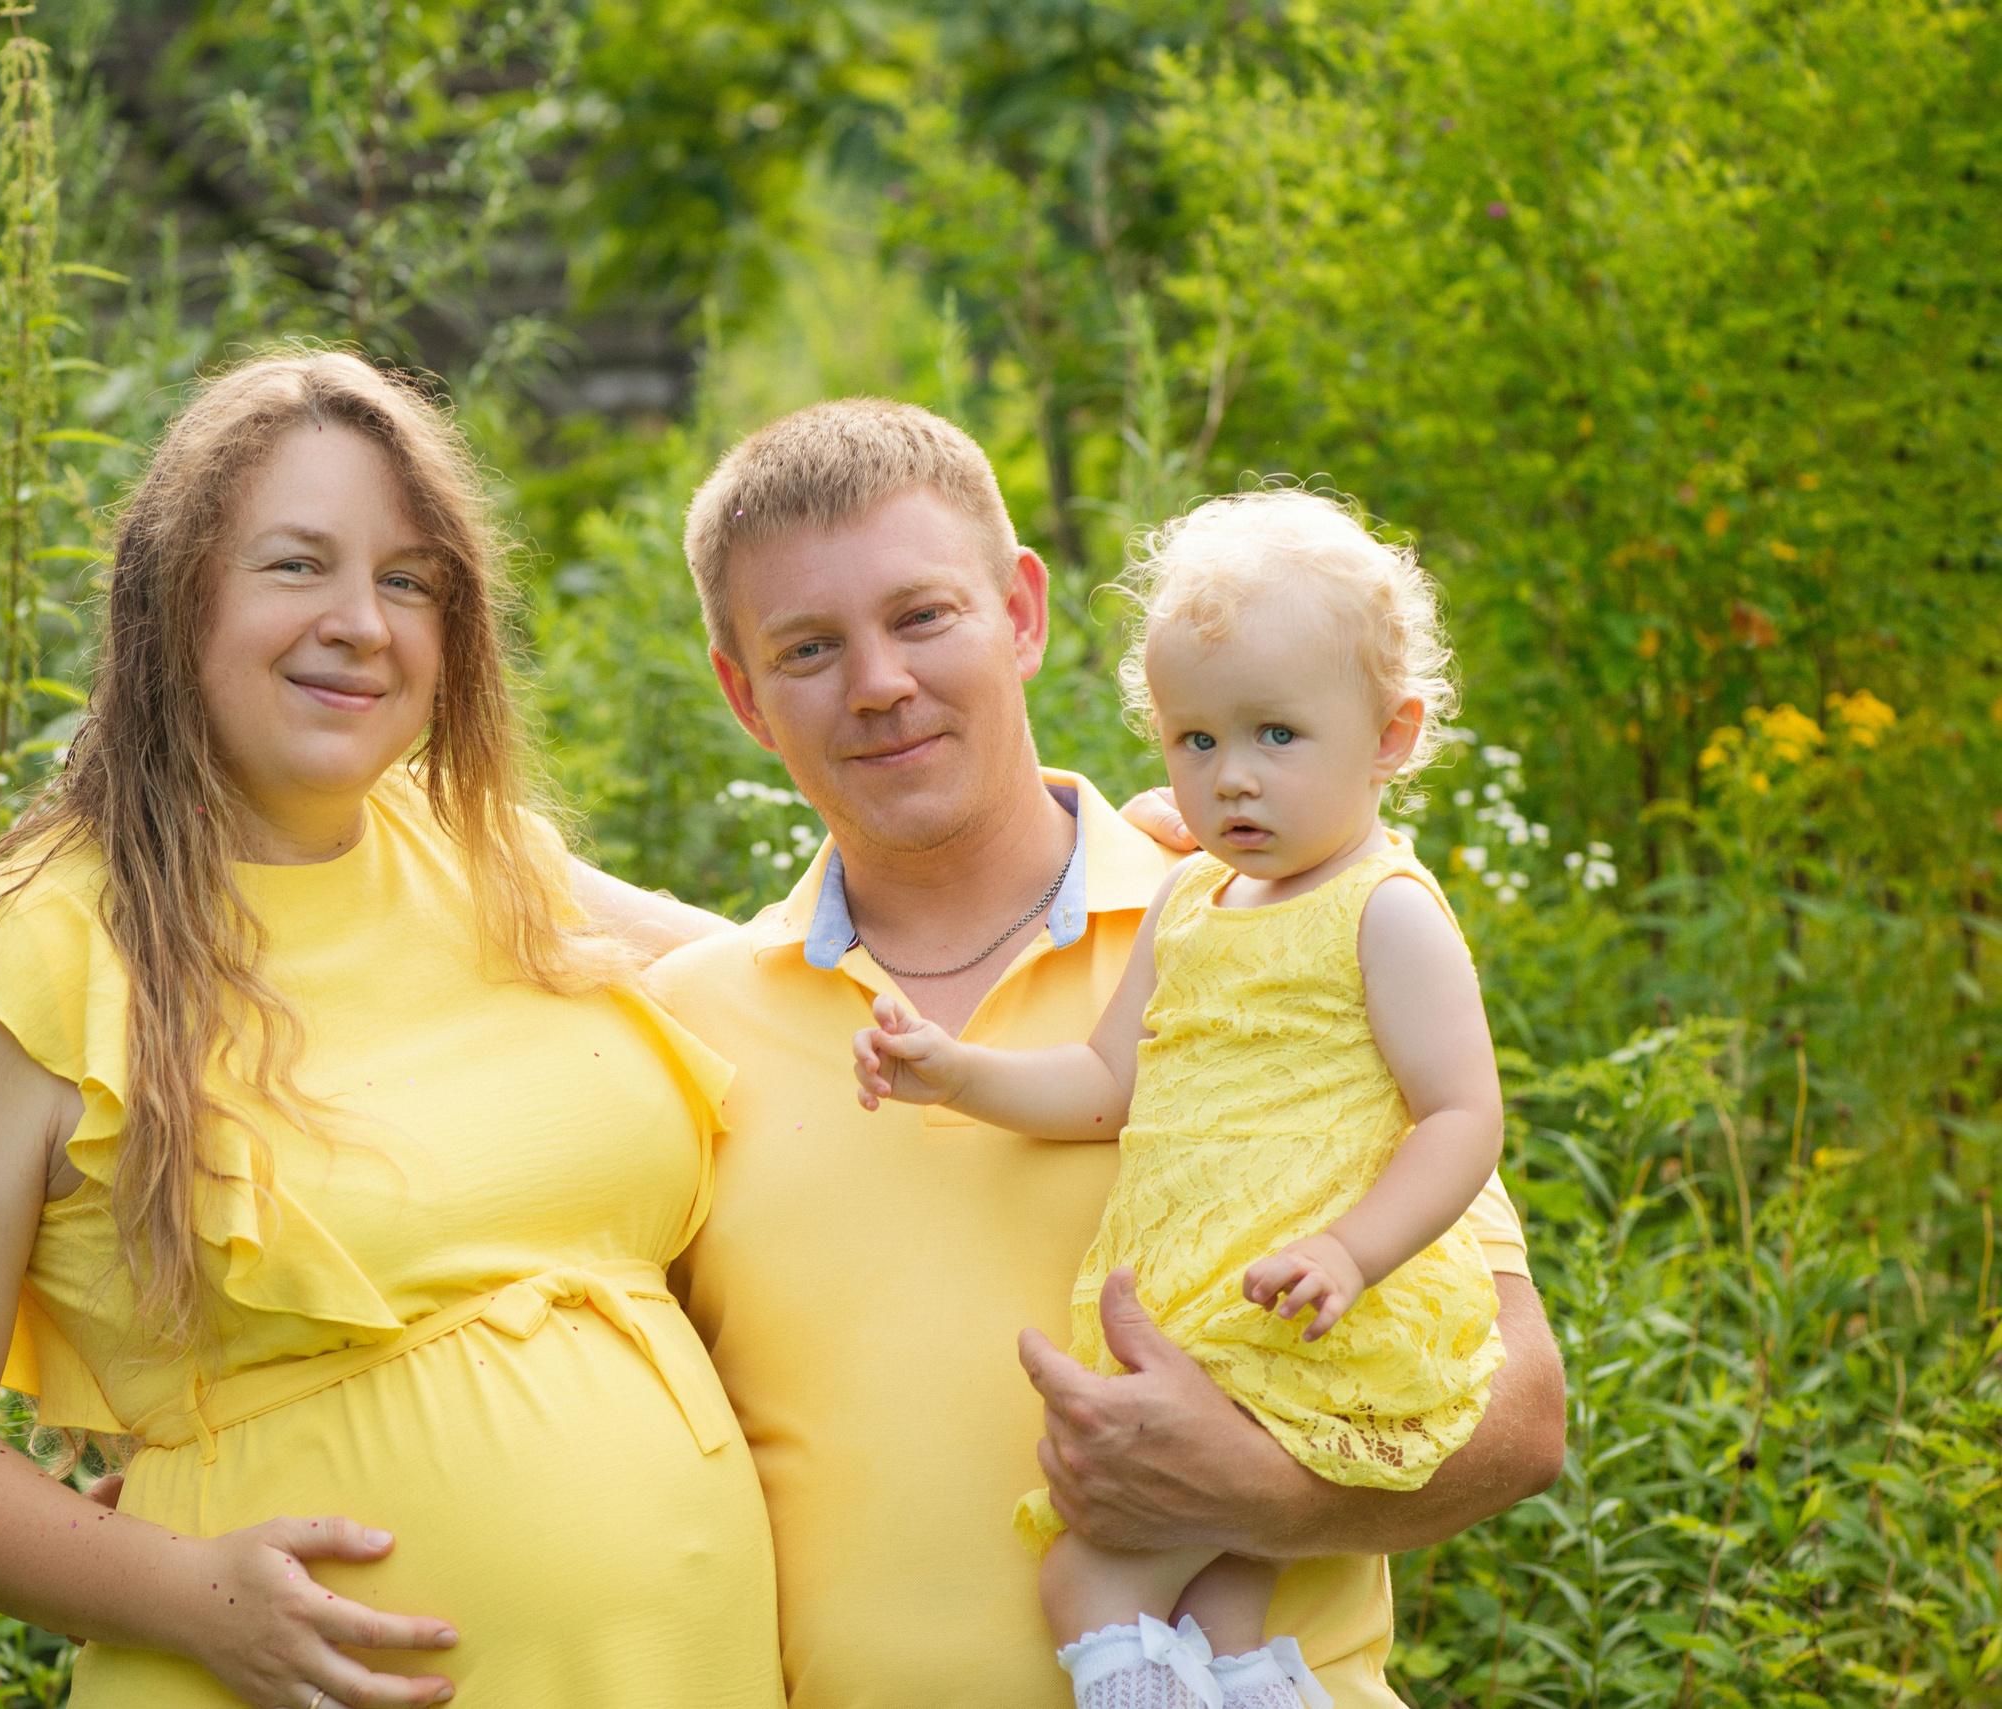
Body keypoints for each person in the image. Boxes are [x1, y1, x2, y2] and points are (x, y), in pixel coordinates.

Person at [0, 349, 782, 1709]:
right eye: (296, 565)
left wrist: (1098, 875)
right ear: (176, 598)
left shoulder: (490, 858)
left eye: (409, 580)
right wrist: (187, 1594)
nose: (362, 623)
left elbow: (800, 985)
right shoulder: (42, 950)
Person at [647, 399, 1566, 1707]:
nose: (879, 682)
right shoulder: (682, 1032)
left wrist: (1253, 1493)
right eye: (808, 647)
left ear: (1022, 613)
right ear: (744, 695)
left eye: (922, 615)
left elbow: (1522, 1416)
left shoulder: (1272, 926)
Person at [852, 489, 1507, 1708]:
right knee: (1219, 1610)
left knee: (1088, 1580)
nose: (1230, 778)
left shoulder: (1384, 910)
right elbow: (1105, 1082)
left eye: (1276, 735)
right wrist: (958, 1070)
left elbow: (1462, 1114)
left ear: (1391, 735)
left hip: (1295, 1308)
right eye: (1194, 741)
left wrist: (1348, 1251)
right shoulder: (1191, 899)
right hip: (1207, 1297)